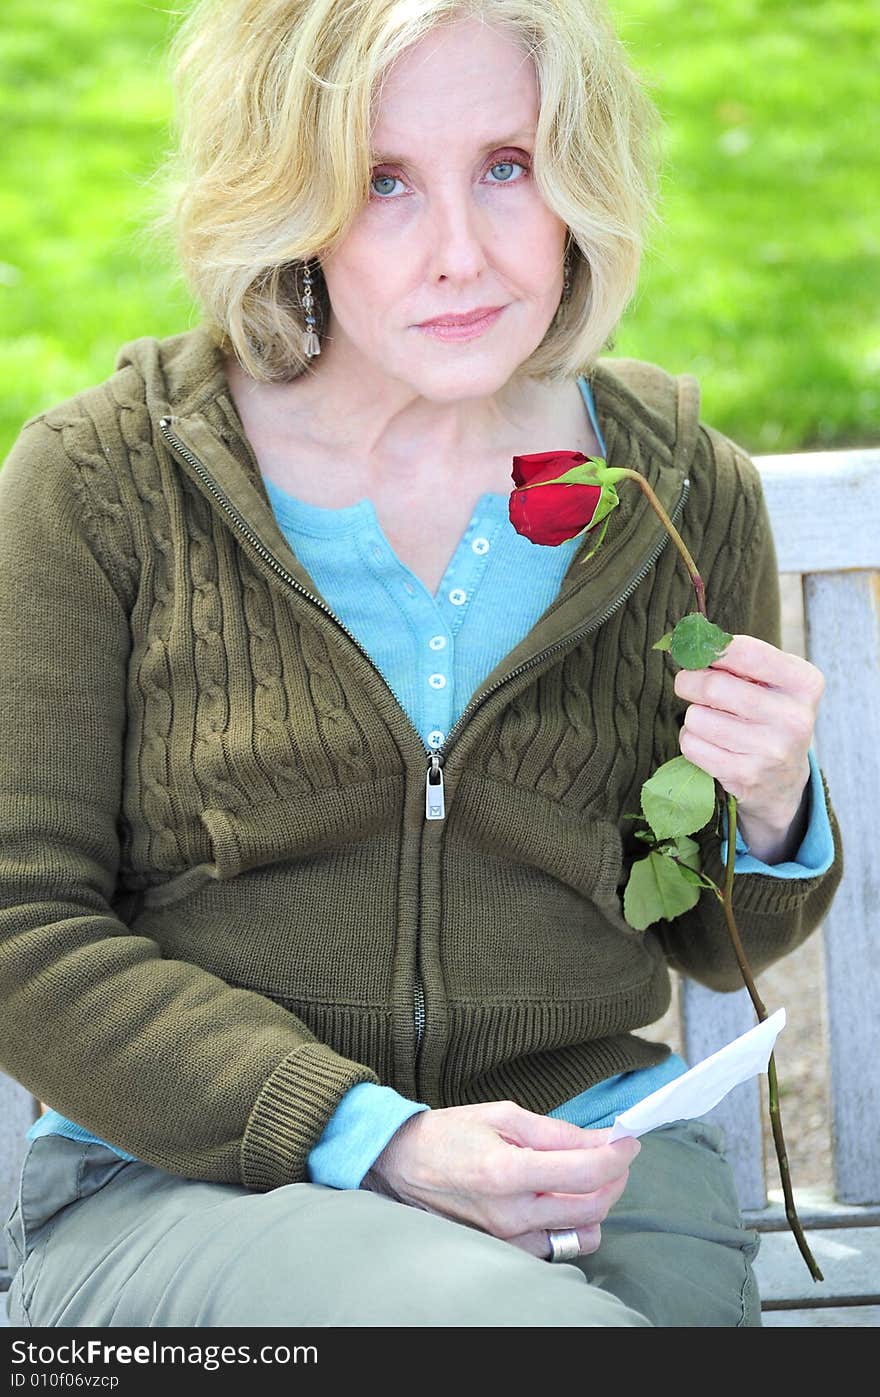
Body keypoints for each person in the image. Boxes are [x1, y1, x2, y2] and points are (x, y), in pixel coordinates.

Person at [1, 0, 842, 1330]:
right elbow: (20, 925)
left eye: (508, 166)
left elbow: (713, 933)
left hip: (590, 1163)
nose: (464, 253)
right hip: (192, 1187)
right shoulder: (105, 487)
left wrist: (774, 805)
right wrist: (378, 1136)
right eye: (383, 181)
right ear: (288, 198)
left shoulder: (679, 487)